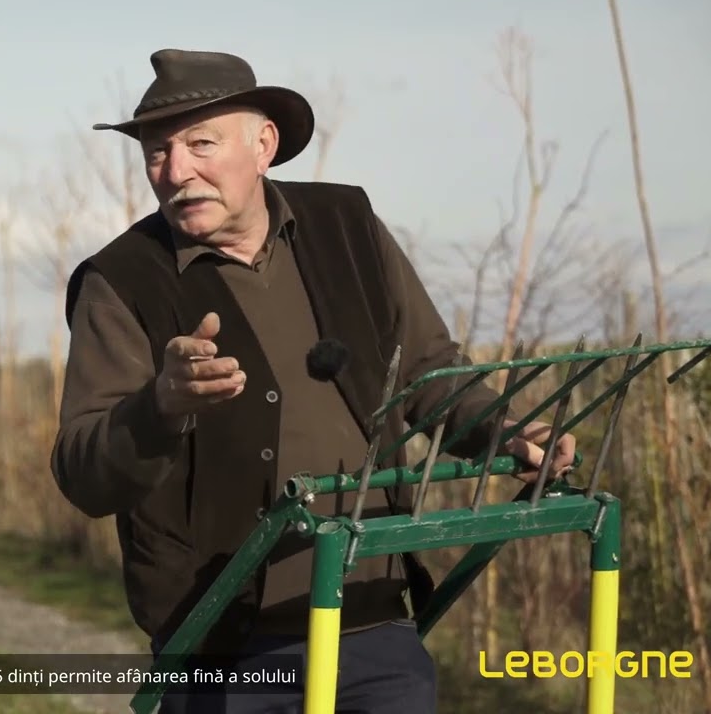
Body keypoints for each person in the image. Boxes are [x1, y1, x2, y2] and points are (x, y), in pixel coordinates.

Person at [49, 48, 577, 713]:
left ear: (263, 144)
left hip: (375, 623)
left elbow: (424, 372)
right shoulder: (121, 282)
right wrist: (159, 406)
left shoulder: (349, 228)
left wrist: (505, 435)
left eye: (200, 144)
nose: (175, 171)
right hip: (223, 645)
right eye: (157, 153)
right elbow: (83, 471)